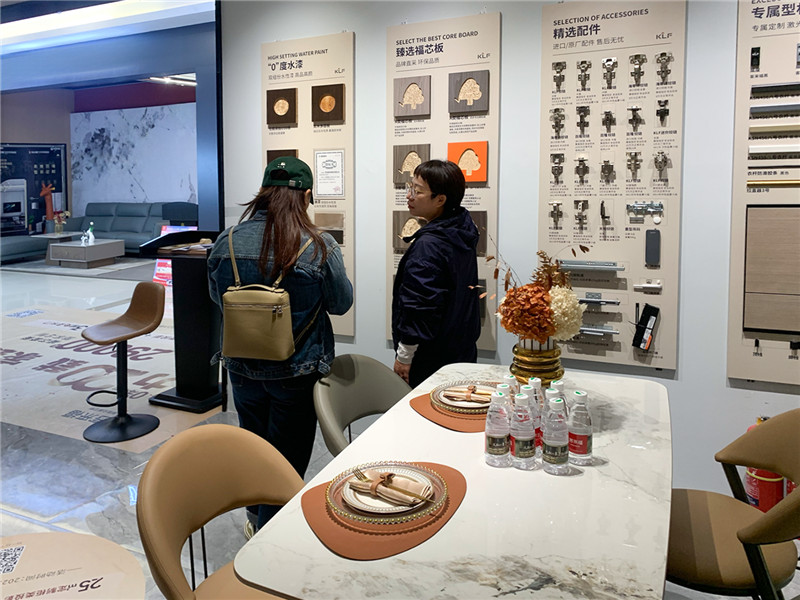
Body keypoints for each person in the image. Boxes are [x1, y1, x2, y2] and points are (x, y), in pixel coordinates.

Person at [208, 156, 353, 534]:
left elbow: (217, 298)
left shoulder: (227, 241)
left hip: (241, 367)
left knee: (254, 448)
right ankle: (269, 534)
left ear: (262, 192)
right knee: (287, 458)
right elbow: (340, 303)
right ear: (306, 196)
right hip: (296, 370)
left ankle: (254, 520)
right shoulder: (319, 244)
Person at [392, 159, 481, 388]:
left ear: (440, 200)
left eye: (418, 191)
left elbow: (419, 306)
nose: (409, 196)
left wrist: (404, 356)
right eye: (410, 188)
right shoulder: (461, 230)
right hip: (461, 351)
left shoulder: (429, 245)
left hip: (431, 357)